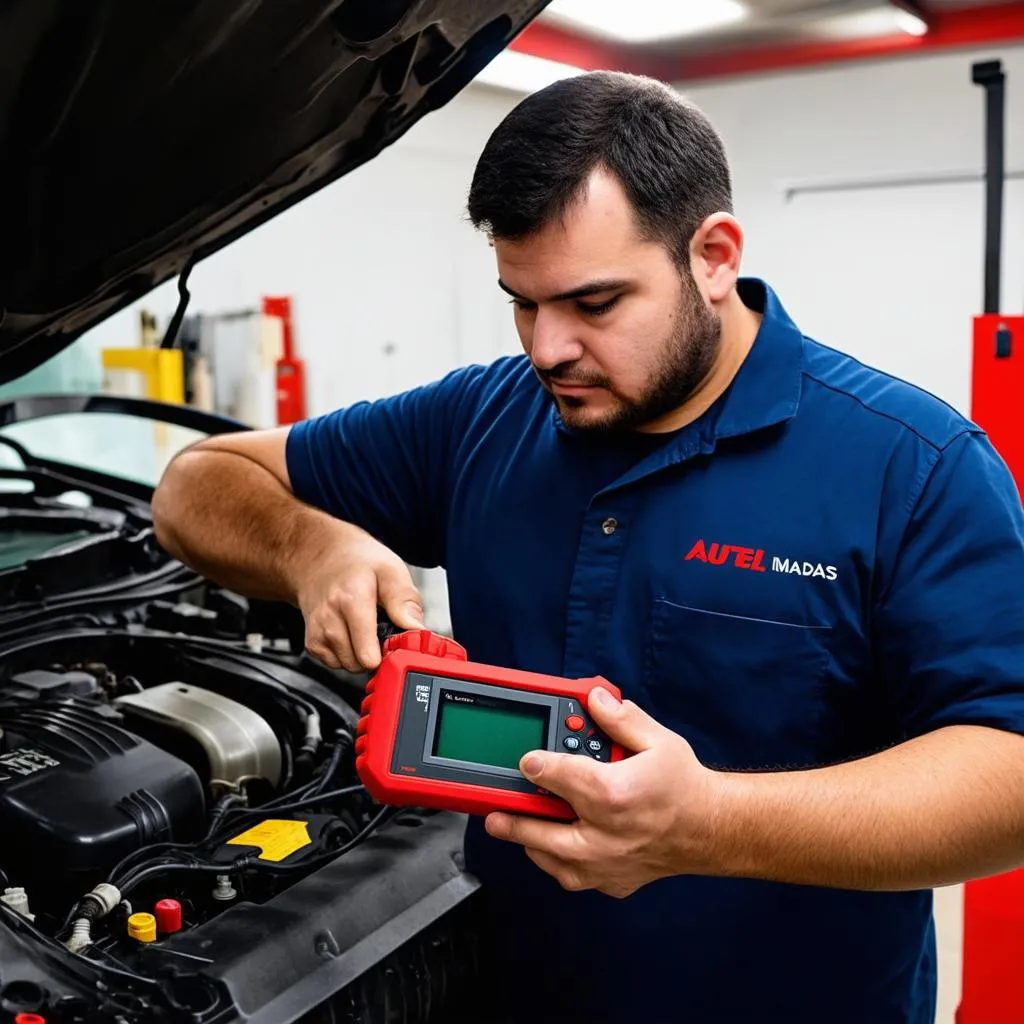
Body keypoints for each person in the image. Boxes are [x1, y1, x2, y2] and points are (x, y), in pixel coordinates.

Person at [152, 71, 1024, 1023]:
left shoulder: (912, 465)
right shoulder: (481, 418)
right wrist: (310, 549)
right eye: (522, 302)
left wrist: (709, 826)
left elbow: (1008, 773)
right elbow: (198, 485)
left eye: (595, 303)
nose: (546, 348)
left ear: (714, 255)